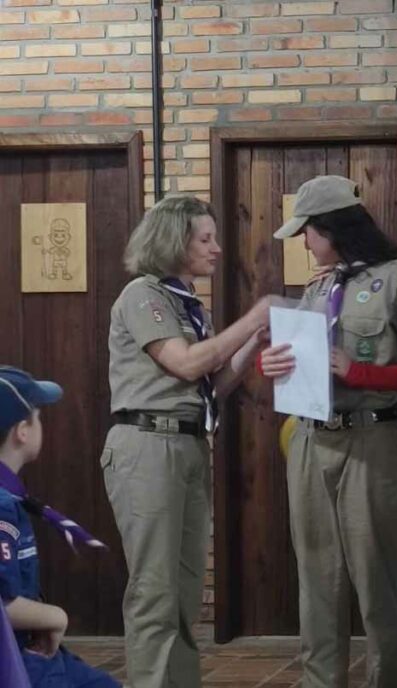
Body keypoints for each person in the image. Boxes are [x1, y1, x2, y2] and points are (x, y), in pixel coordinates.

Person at [259, 175, 397, 688]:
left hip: (372, 443)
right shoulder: (318, 289)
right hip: (311, 442)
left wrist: (362, 374)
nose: (304, 244)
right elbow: (298, 357)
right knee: (317, 581)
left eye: (307, 233)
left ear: (331, 228)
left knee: (378, 580)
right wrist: (270, 364)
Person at [101, 195, 271, 688]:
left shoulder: (187, 303)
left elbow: (210, 387)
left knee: (184, 591)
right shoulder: (143, 295)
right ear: (174, 242)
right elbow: (186, 363)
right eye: (205, 239)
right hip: (148, 446)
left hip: (189, 444)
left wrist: (252, 345)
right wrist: (253, 317)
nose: (216, 248)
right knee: (155, 591)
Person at [0, 366, 118, 687]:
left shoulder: (11, 498)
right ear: (22, 431)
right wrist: (54, 616)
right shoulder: (3, 507)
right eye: (38, 417)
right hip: (16, 661)